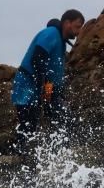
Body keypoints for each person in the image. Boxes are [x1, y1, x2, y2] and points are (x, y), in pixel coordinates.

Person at [11, 9, 85, 153]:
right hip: (27, 86)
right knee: (28, 125)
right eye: (77, 26)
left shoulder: (61, 41)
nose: (79, 31)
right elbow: (37, 59)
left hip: (46, 87)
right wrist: (42, 90)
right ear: (67, 23)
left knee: (64, 118)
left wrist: (53, 93)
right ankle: (20, 157)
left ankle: (63, 154)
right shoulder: (51, 33)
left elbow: (54, 72)